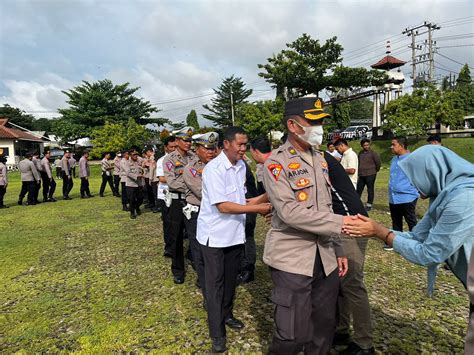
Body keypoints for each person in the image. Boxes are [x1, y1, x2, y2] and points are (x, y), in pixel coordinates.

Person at [343, 145, 474, 343]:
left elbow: (429, 253)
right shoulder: (444, 195)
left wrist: (381, 232)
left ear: (430, 172)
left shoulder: (463, 198)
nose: (413, 186)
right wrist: (375, 229)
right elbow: (418, 236)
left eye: (415, 177)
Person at [262, 97, 349, 355]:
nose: (319, 127)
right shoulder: (276, 163)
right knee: (292, 335)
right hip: (292, 259)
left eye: (321, 121)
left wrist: (339, 248)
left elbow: (326, 208)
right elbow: (289, 212)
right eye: (313, 121)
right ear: (292, 125)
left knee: (323, 330)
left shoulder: (320, 159)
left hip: (325, 256)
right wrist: (343, 224)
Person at [197, 126, 271, 353]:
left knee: (230, 281)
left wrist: (270, 194)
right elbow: (223, 206)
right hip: (214, 237)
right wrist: (259, 209)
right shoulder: (214, 169)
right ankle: (217, 335)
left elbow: (243, 200)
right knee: (215, 285)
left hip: (234, 235)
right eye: (239, 144)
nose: (243, 149)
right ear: (226, 144)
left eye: (245, 144)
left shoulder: (241, 166)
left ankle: (227, 314)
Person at [322, 152, 375, 354]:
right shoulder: (318, 158)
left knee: (352, 283)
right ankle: (342, 329)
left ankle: (364, 343)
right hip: (344, 224)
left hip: (350, 224)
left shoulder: (318, 160)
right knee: (341, 281)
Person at [183, 132, 219, 300]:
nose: (211, 152)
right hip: (198, 213)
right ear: (197, 149)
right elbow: (204, 192)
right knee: (200, 252)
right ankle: (207, 291)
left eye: (213, 149)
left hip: (219, 214)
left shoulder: (222, 166)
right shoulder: (191, 169)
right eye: (206, 149)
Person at [163, 126, 195, 284]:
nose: (188, 143)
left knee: (196, 234)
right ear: (177, 141)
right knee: (176, 237)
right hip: (177, 200)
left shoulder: (195, 157)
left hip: (193, 200)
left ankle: (196, 262)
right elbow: (172, 181)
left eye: (190, 140)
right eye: (185, 140)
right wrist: (192, 187)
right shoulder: (169, 159)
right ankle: (178, 270)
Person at [385, 137, 419, 251]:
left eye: (393, 144)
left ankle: (417, 242)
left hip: (407, 196)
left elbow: (418, 177)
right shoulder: (394, 159)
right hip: (394, 197)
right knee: (396, 220)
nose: (391, 147)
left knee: (411, 220)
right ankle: (395, 242)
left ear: (401, 145)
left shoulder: (412, 159)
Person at [157, 136, 177, 257]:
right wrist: (179, 178)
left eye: (175, 146)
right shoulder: (162, 160)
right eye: (171, 147)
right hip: (165, 195)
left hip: (177, 194)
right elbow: (162, 178)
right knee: (167, 222)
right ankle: (168, 247)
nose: (174, 149)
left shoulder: (181, 159)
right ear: (166, 147)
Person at [356, 139, 381, 212]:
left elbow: (378, 163)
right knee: (359, 189)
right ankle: (356, 204)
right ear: (362, 146)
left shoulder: (373, 153)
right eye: (364, 145)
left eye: (367, 145)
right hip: (361, 175)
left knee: (370, 190)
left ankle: (369, 205)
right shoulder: (360, 153)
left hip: (371, 174)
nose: (366, 146)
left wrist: (375, 170)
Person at [125, 149, 144, 219]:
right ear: (130, 155)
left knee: (141, 198)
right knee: (132, 199)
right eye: (134, 155)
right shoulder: (127, 163)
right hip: (131, 184)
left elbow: (142, 169)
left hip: (139, 184)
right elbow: (128, 173)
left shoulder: (138, 161)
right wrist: (137, 176)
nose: (135, 156)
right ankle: (132, 212)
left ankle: (137, 206)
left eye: (136, 154)